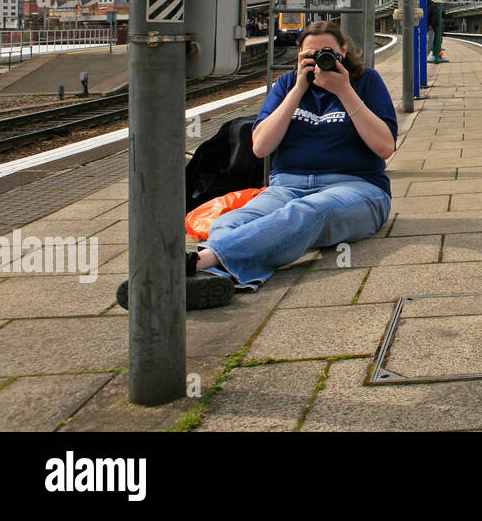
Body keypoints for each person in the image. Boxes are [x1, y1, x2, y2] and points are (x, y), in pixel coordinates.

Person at [116, 21, 398, 311]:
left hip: (357, 188)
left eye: (327, 53)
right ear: (299, 55)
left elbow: (385, 147)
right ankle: (215, 278)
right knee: (229, 221)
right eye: (310, 55)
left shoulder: (366, 81)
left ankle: (198, 262)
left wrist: (344, 91)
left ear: (343, 51)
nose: (319, 61)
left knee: (308, 212)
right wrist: (298, 90)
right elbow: (261, 147)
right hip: (287, 185)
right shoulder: (287, 85)